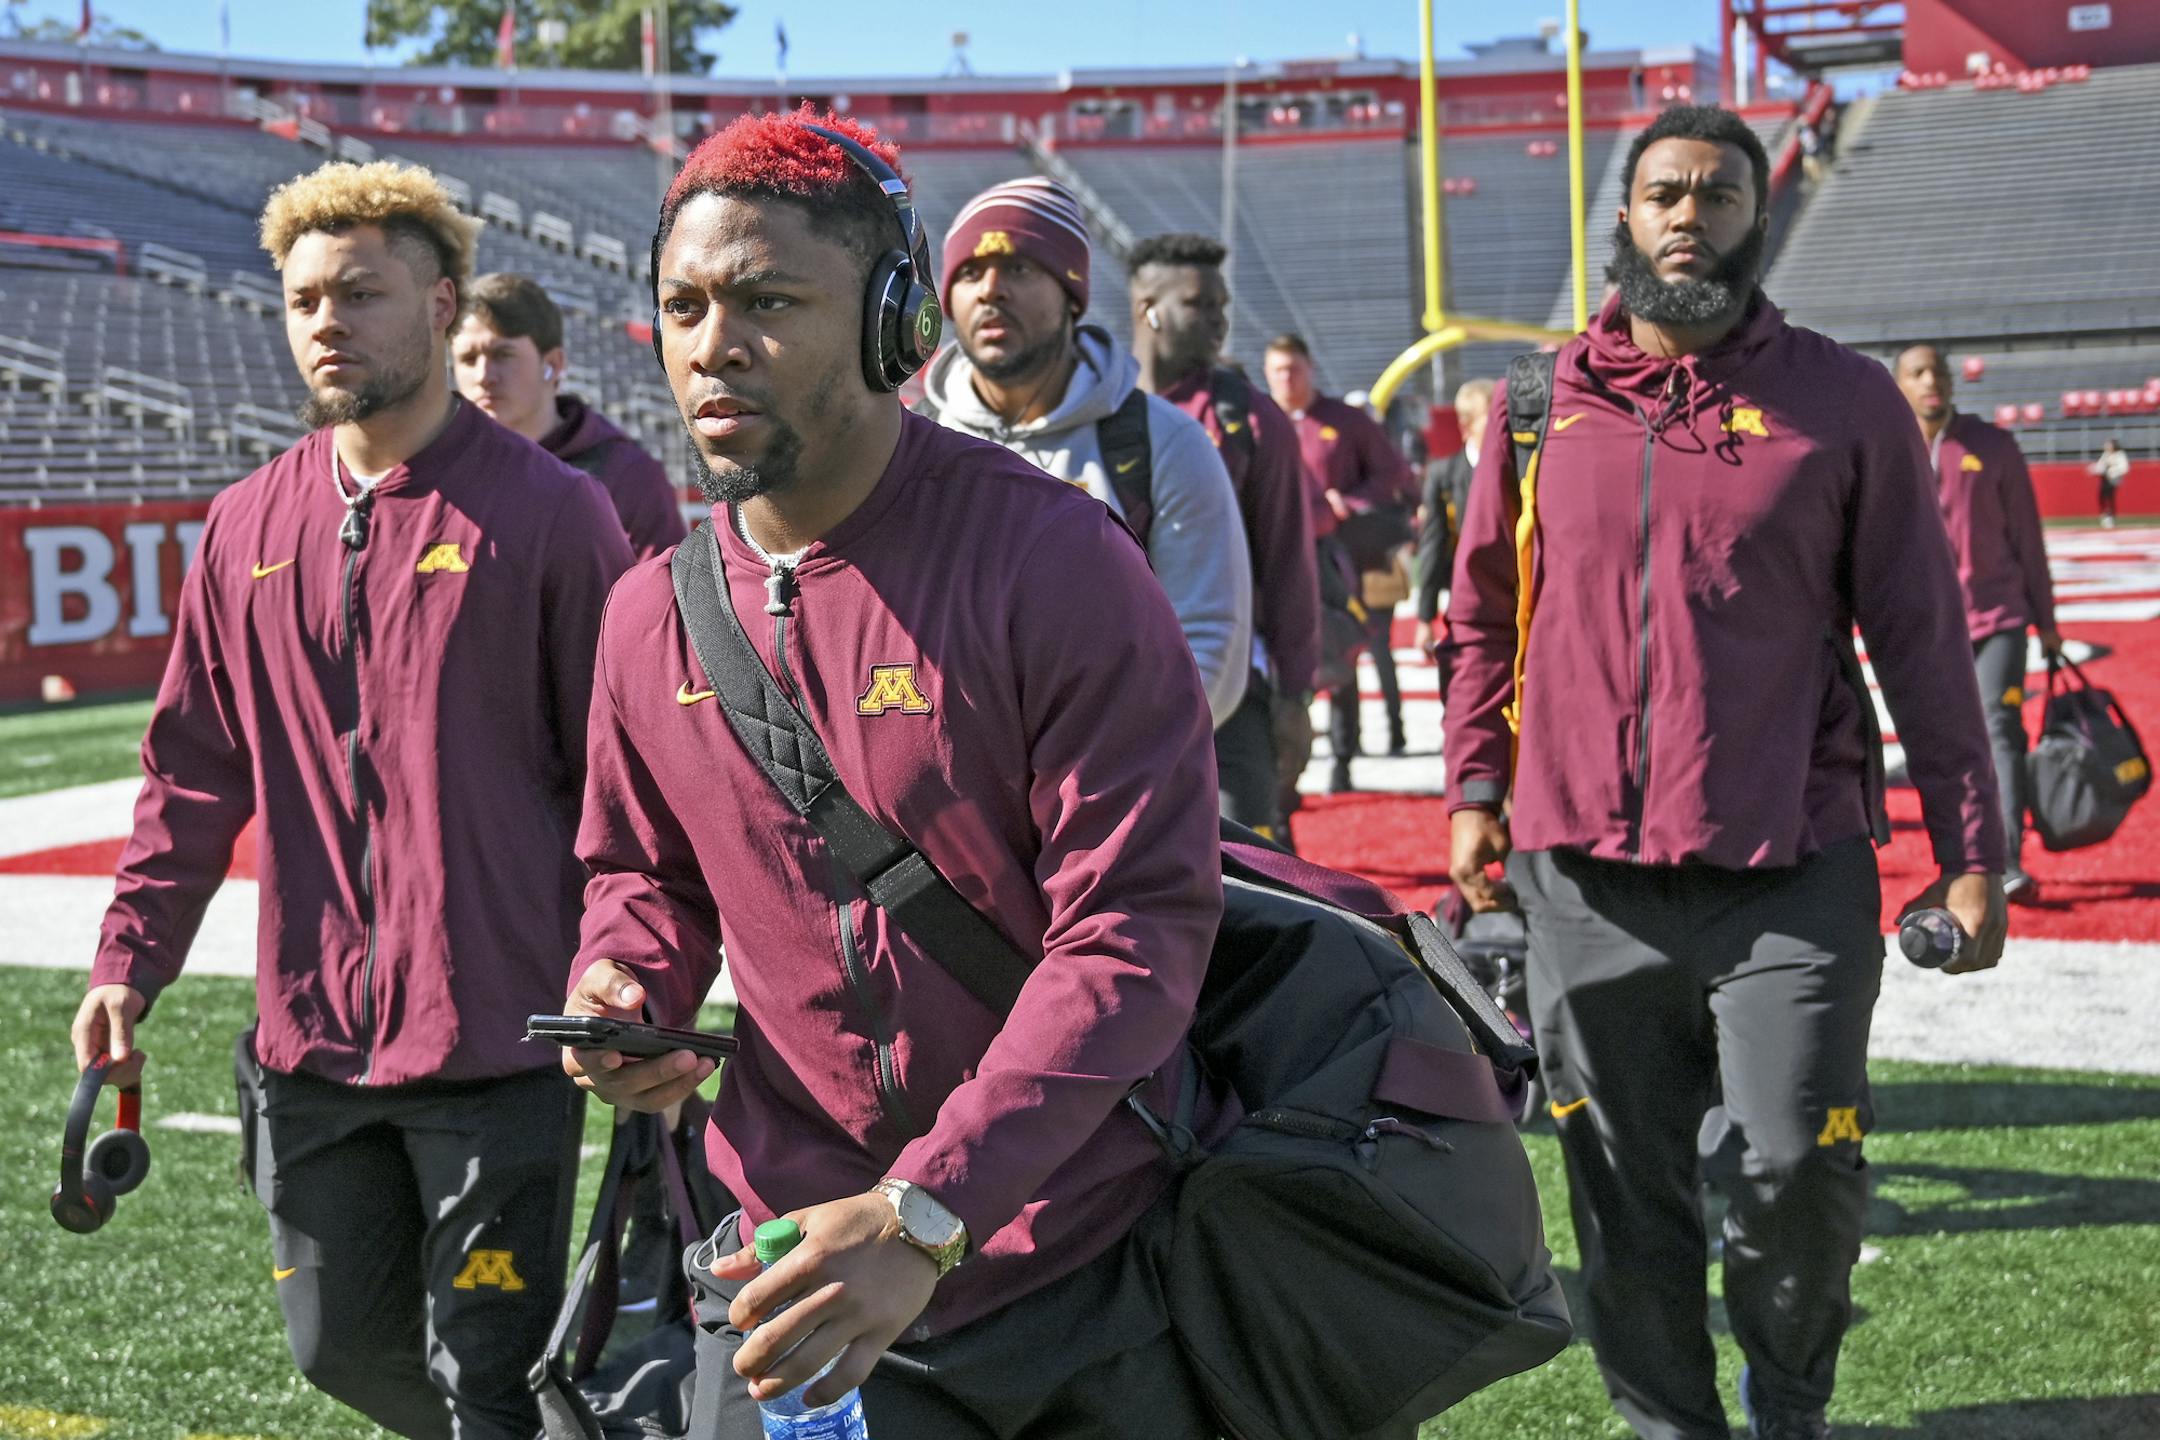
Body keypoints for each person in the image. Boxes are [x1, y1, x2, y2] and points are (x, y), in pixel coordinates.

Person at [558, 109, 1226, 1438]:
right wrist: (629, 973)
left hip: (1057, 1256)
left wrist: (927, 1211)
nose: (712, 344)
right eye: (683, 305)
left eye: (765, 300)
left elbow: (1133, 932)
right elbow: (643, 866)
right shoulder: (648, 612)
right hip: (780, 1261)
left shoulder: (1056, 561)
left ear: (892, 320)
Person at [1444, 105, 2008, 1440]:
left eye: (1718, 193)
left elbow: (1922, 638)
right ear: (1625, 220)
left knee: (1794, 1168)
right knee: (1622, 1197)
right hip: (1578, 873)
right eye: (1662, 193)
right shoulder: (1536, 406)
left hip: (1792, 863)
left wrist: (1974, 856)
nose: (1689, 213)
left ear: (1761, 219)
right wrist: (1475, 788)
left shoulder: (1844, 400)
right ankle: (1670, 1427)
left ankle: (1791, 1396)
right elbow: (1477, 616)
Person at [69, 161, 633, 1438]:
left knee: (485, 1375)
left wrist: (616, 963)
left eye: (361, 294)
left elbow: (622, 782)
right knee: (336, 1351)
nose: (326, 321)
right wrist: (127, 963)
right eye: (305, 299)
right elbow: (192, 772)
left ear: (442, 308)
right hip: (308, 1044)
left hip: (500, 1042)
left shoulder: (556, 516)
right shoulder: (240, 525)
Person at [919, 178, 1253, 733]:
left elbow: (1208, 641)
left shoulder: (1163, 442)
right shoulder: (909, 446)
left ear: (1072, 293)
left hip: (1112, 790)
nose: (991, 290)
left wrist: (1098, 770)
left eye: (1020, 268)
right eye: (970, 273)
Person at [1128, 231, 1321, 840]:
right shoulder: (1090, 410)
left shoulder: (1252, 419)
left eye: (1222, 306)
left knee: (1249, 877)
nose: (1217, 321)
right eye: (1198, 304)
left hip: (1234, 695)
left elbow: (1289, 562)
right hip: (1108, 688)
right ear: (1148, 309)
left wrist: (1294, 697)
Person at [1894, 343, 2062, 901]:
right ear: (1900, 387)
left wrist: (2048, 619)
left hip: (1999, 618)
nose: (1929, 381)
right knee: (1944, 743)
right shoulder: (1887, 450)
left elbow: (2028, 540)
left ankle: (2006, 859)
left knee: (2000, 730)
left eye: (1937, 370)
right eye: (1916, 374)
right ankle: (1958, 859)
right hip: (1927, 626)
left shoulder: (1994, 446)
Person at [1266, 332, 1417, 790]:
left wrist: (1346, 503)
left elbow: (1393, 473)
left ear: (1310, 368)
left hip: (1339, 557)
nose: (1286, 379)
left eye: (1293, 369)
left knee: (1343, 648)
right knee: (1284, 654)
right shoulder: (1261, 421)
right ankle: (1288, 757)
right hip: (1277, 557)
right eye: (1277, 371)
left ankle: (1343, 756)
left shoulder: (1344, 421)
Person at [454, 271, 688, 560]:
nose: (484, 376)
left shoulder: (627, 478)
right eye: (468, 359)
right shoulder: (439, 474)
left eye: (503, 355)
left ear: (552, 364)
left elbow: (662, 599)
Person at [1415, 377, 1493, 656]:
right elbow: (1432, 546)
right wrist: (1425, 617)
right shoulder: (1444, 476)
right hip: (1468, 597)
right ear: (1466, 426)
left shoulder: (1525, 467)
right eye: (1493, 420)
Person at [2089, 438, 2129, 528]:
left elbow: (2124, 468)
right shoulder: (2106, 455)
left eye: (2109, 444)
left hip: (2113, 480)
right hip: (2104, 479)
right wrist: (2094, 469)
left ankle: (2110, 517)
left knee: (2109, 497)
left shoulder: (2120, 455)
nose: (2106, 446)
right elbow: (2101, 466)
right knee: (2102, 497)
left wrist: (2112, 471)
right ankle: (2105, 516)